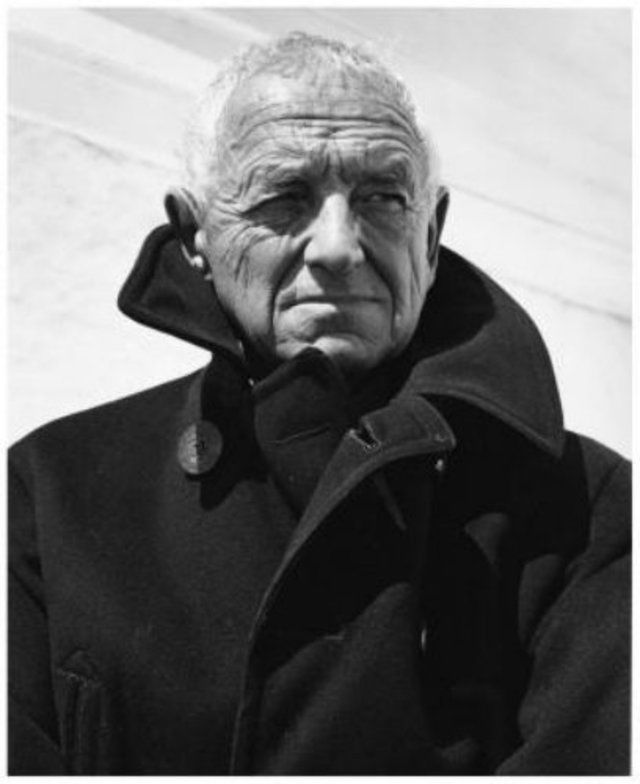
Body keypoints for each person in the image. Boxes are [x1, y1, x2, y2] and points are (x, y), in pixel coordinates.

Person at [8, 32, 630, 775]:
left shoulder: (587, 511)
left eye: (383, 198)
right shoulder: (52, 491)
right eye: (283, 196)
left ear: (431, 236)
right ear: (195, 234)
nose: (338, 247)